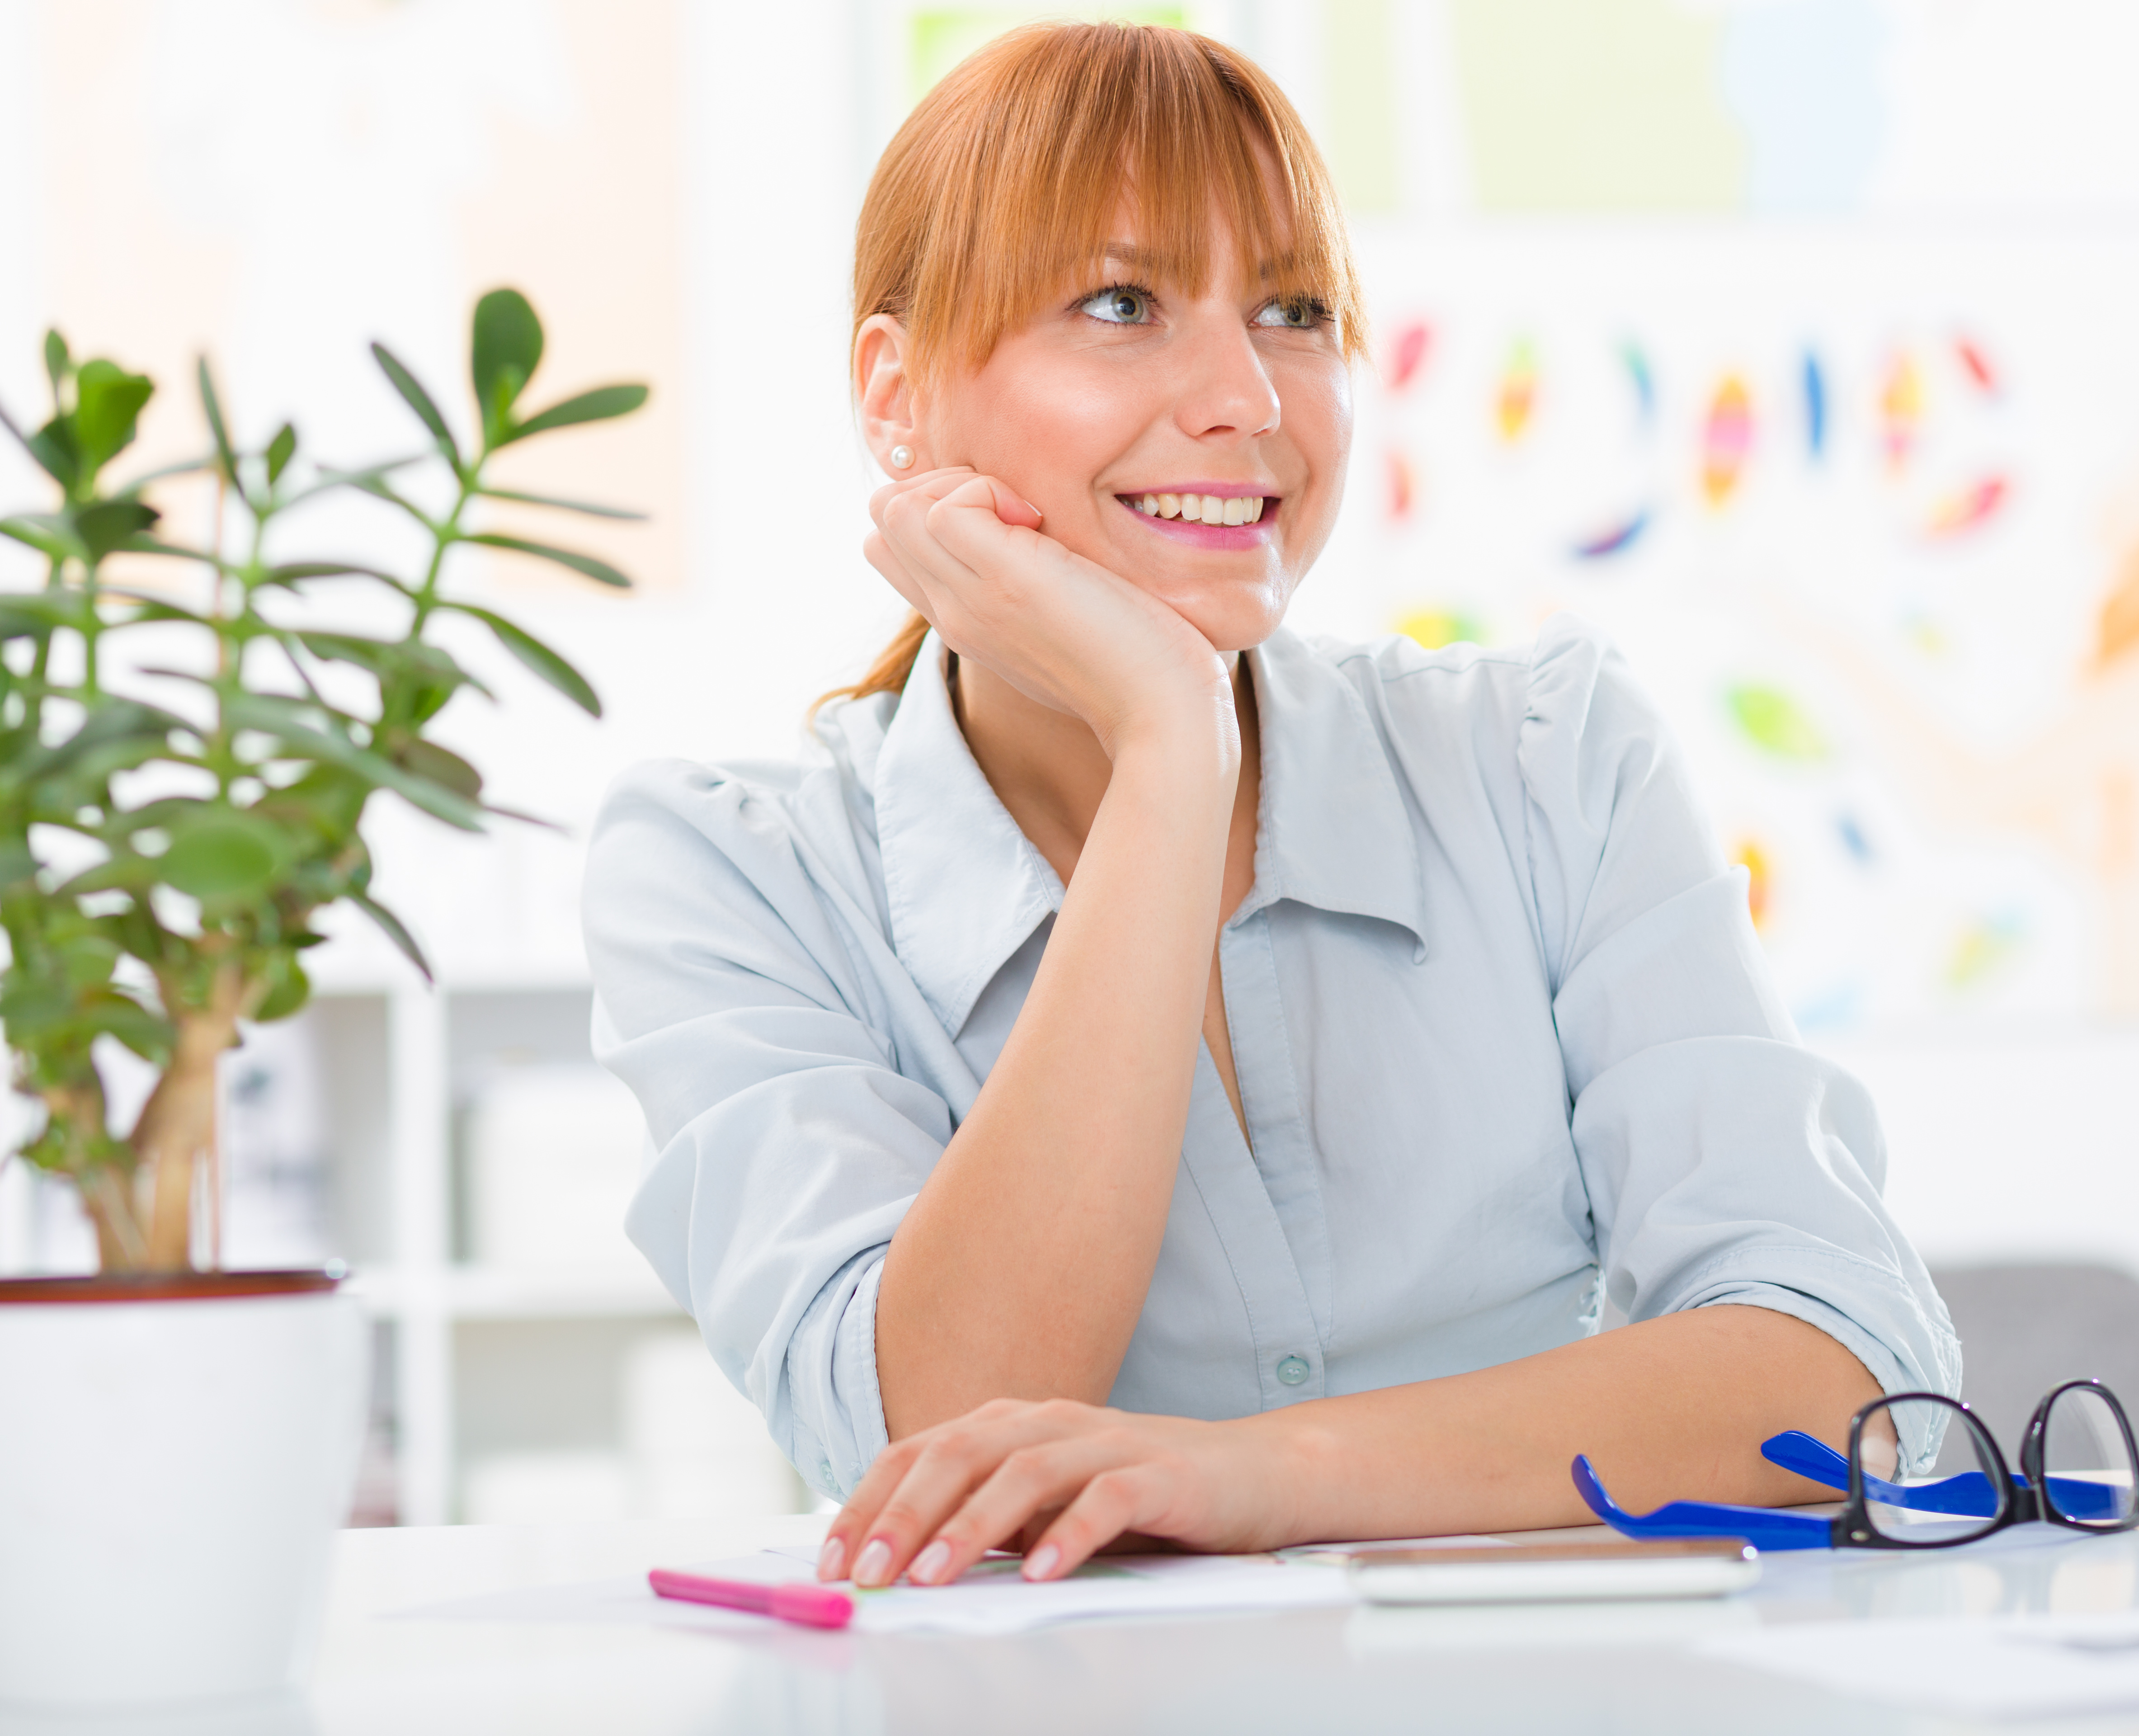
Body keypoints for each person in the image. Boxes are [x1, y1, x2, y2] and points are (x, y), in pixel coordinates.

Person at [583, 21, 1957, 1591]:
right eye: (1120, 303)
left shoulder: (1545, 762)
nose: (1246, 396)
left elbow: (1839, 1377)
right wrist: (1171, 750)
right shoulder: (727, 871)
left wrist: (1261, 1478)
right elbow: (938, 1434)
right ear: (896, 396)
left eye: (1297, 312)